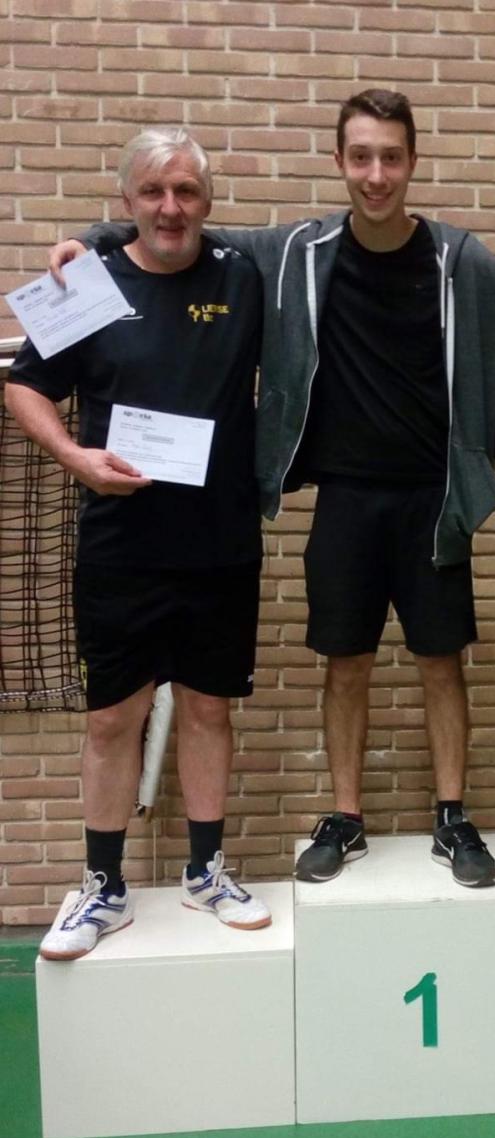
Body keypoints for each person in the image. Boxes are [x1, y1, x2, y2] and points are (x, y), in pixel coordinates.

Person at [50, 90, 495, 891]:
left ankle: (452, 815)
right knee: (347, 663)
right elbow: (182, 228)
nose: (376, 174)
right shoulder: (297, 251)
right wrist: (94, 238)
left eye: (391, 157)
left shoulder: (459, 262)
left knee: (442, 663)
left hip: (434, 502)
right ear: (340, 162)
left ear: (411, 163)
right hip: (344, 498)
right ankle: (345, 816)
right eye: (361, 156)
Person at [6, 128, 271, 960]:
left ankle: (206, 873)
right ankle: (104, 888)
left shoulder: (241, 276)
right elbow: (24, 386)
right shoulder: (85, 282)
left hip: (221, 542)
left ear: (208, 200)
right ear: (128, 200)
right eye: (153, 192)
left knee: (208, 709)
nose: (170, 207)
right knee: (113, 717)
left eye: (186, 190)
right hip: (120, 545)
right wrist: (74, 456)